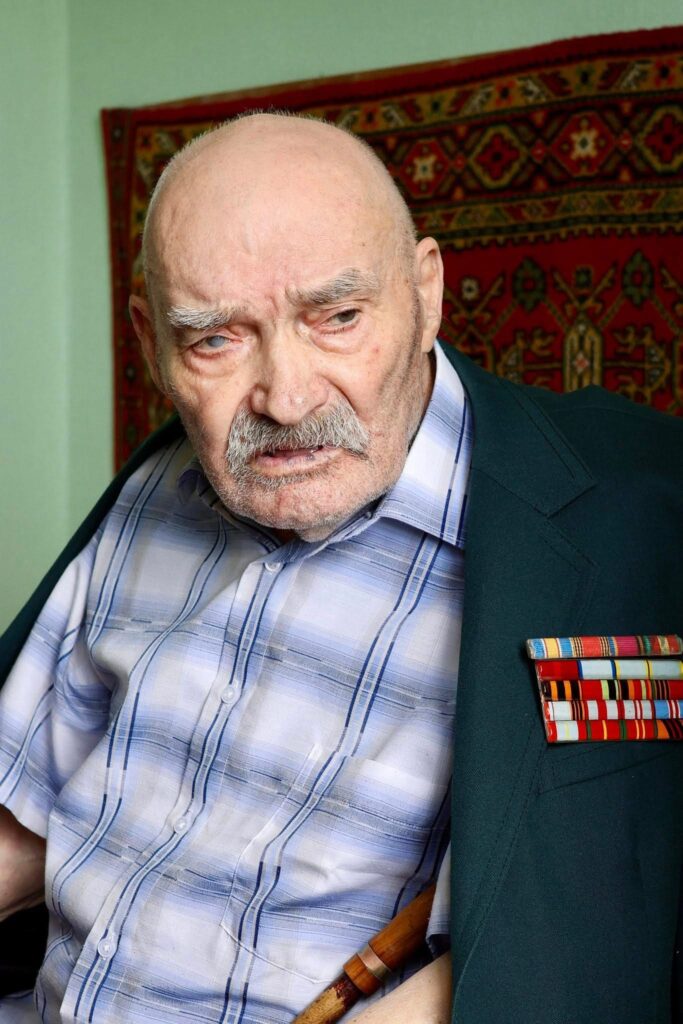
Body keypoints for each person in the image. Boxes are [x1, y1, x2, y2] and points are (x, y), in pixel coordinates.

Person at [0, 112, 682, 1024]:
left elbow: (569, 923)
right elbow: (24, 819)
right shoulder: (156, 488)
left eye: (338, 318)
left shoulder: (620, 518)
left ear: (426, 292)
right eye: (215, 340)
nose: (285, 400)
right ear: (149, 339)